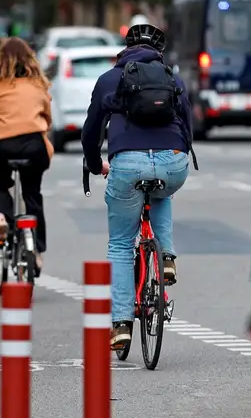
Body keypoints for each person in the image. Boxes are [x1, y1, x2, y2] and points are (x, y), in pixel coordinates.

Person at [81, 22, 196, 351]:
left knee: (120, 245)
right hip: (173, 160)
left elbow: (91, 131)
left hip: (127, 164)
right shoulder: (171, 77)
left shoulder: (109, 79)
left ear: (124, 48)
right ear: (158, 52)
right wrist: (179, 151)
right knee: (162, 190)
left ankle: (120, 324)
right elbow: (187, 121)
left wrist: (93, 164)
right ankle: (168, 256)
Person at [0, 37, 53, 272]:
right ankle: (35, 250)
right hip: (33, 146)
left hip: (2, 146)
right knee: (33, 194)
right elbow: (47, 118)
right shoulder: (38, 85)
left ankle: (0, 217)